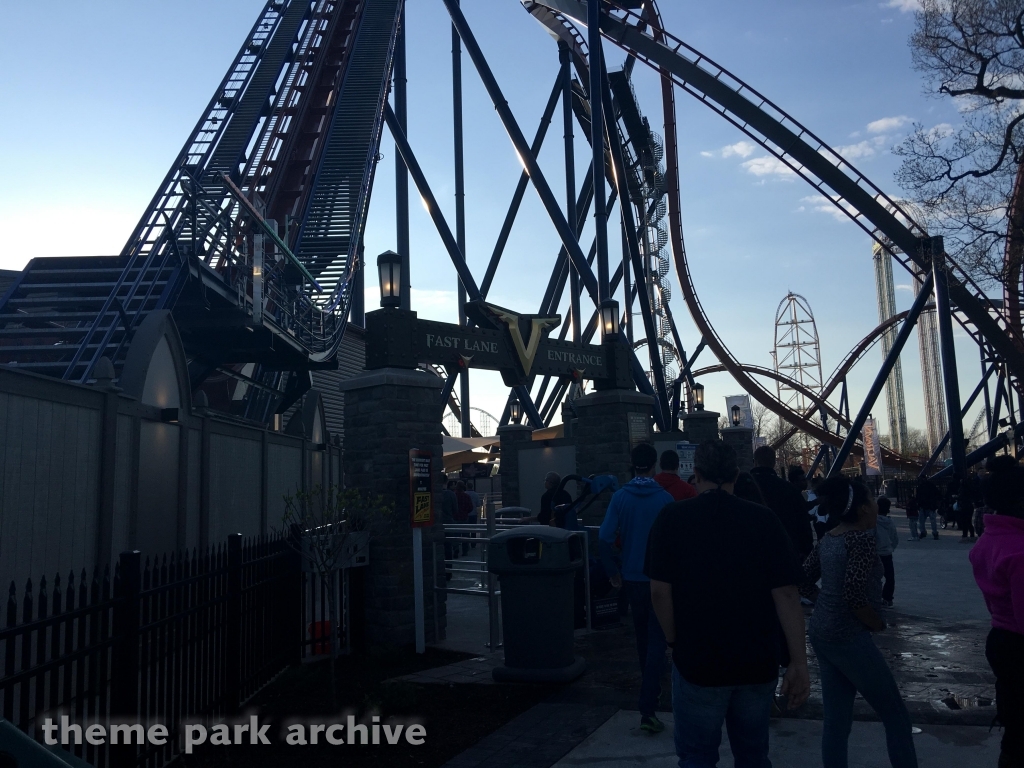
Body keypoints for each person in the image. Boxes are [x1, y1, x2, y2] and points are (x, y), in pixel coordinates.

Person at [647, 440, 810, 765]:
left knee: (696, 758)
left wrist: (673, 639)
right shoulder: (764, 520)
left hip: (698, 660)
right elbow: (788, 595)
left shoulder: (672, 518)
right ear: (737, 474)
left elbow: (659, 592)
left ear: (695, 473)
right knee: (753, 756)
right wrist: (799, 661)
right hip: (756, 660)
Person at [802, 476, 918, 768]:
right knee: (896, 716)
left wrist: (823, 602)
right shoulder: (862, 541)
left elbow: (802, 578)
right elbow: (854, 593)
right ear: (865, 508)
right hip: (848, 635)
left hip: (821, 631)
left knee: (837, 721)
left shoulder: (830, 537)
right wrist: (877, 624)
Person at [599, 443, 675, 734]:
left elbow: (604, 538)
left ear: (633, 464)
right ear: (654, 465)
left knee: (642, 639)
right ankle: (648, 705)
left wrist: (612, 572)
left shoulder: (620, 498)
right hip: (660, 579)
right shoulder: (666, 499)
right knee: (658, 641)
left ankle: (650, 693)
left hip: (632, 579)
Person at [970, 455, 1024, 768]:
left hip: (1001, 638)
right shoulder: (1018, 551)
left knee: (1015, 725)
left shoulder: (990, 540)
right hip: (1020, 646)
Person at [751, 446, 815, 562]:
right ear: (773, 462)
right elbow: (802, 522)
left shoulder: (745, 487)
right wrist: (805, 550)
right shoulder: (789, 489)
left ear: (755, 462)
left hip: (752, 553)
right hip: (785, 551)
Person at [875, 497, 899, 607]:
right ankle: (887, 598)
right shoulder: (890, 522)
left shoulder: (873, 522)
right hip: (887, 553)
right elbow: (895, 538)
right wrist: (890, 547)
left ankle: (874, 596)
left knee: (875, 577)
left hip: (876, 553)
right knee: (890, 578)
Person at [454, 481, 473, 556]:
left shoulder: (454, 495)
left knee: (456, 535)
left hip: (455, 518)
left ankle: (456, 549)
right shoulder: (466, 496)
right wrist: (466, 511)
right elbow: (470, 507)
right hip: (465, 517)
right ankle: (465, 551)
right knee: (465, 535)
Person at [957, 473, 977, 542]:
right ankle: (972, 535)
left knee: (964, 521)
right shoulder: (971, 488)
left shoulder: (962, 488)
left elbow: (961, 497)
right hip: (970, 506)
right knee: (969, 521)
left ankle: (965, 536)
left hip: (964, 505)